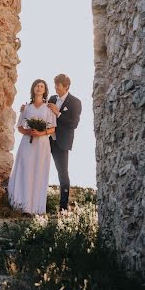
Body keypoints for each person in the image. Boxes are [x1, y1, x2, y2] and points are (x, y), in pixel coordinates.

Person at [8, 79, 56, 215]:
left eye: (42, 86)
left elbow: (53, 128)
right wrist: (29, 132)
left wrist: (41, 133)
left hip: (42, 144)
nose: (39, 88)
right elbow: (20, 127)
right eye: (37, 86)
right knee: (25, 170)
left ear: (45, 90)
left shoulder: (49, 107)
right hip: (27, 143)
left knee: (38, 171)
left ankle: (35, 208)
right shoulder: (26, 107)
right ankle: (22, 205)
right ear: (33, 89)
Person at [47, 74, 82, 211]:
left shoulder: (75, 102)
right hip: (46, 139)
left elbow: (74, 124)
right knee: (41, 169)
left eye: (58, 85)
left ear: (66, 86)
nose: (55, 87)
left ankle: (63, 207)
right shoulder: (51, 99)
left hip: (61, 142)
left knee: (62, 173)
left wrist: (58, 113)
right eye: (55, 84)